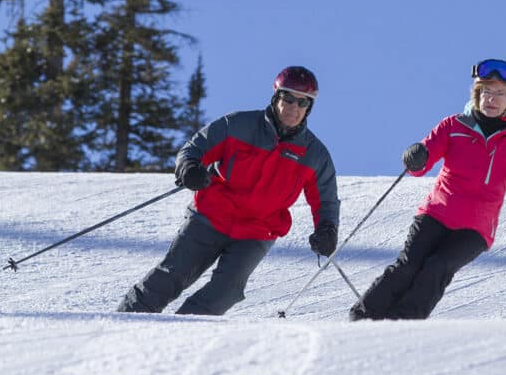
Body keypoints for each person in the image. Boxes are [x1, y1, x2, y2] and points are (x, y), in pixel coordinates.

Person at [118, 66, 340, 316]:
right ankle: (126, 320)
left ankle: (181, 332)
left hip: (257, 231)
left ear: (309, 108)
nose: (294, 107)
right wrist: (190, 168)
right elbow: (194, 148)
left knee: (226, 290)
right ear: (276, 97)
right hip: (211, 216)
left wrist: (327, 229)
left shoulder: (314, 155)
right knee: (173, 275)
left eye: (302, 102)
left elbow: (326, 200)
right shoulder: (238, 125)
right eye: (288, 98)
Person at [349, 58, 506, 321]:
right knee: (409, 265)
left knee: (438, 267)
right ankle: (363, 317)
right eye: (487, 92)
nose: (492, 99)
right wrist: (417, 154)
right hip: (436, 214)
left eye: (500, 93)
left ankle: (402, 323)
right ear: (477, 94)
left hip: (476, 228)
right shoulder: (453, 127)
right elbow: (422, 161)